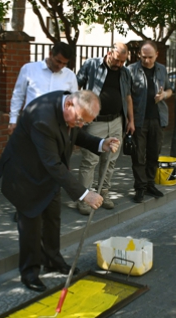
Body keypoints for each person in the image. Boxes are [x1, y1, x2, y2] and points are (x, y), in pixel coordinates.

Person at [0, 90, 120, 292]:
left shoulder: (69, 111)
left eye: (84, 122)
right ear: (69, 104)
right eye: (80, 120)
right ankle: (29, 272)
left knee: (53, 219)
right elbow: (53, 164)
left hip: (48, 175)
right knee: (31, 226)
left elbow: (75, 132)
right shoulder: (42, 119)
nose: (80, 124)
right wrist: (84, 194)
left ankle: (53, 260)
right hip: (25, 177)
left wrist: (100, 143)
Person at [76, 42, 134, 215]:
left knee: (110, 159)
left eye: (123, 61)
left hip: (116, 121)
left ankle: (103, 192)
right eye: (117, 60)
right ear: (109, 53)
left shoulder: (125, 72)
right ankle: (84, 198)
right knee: (90, 161)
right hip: (95, 122)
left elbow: (128, 96)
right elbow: (75, 86)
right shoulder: (91, 65)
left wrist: (131, 120)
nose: (119, 64)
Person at [127, 40, 173, 203]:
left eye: (150, 57)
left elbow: (169, 89)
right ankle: (140, 187)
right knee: (138, 155)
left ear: (157, 55)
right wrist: (130, 120)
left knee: (154, 153)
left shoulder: (161, 69)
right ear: (139, 54)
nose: (146, 60)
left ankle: (150, 184)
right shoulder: (131, 70)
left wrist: (163, 96)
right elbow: (128, 97)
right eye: (144, 57)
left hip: (158, 118)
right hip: (139, 120)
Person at [8, 41, 78, 135]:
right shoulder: (29, 69)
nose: (60, 66)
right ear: (50, 54)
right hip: (30, 122)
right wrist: (13, 120)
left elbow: (74, 102)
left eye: (64, 63)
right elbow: (18, 95)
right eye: (58, 61)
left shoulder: (70, 76)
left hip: (56, 127)